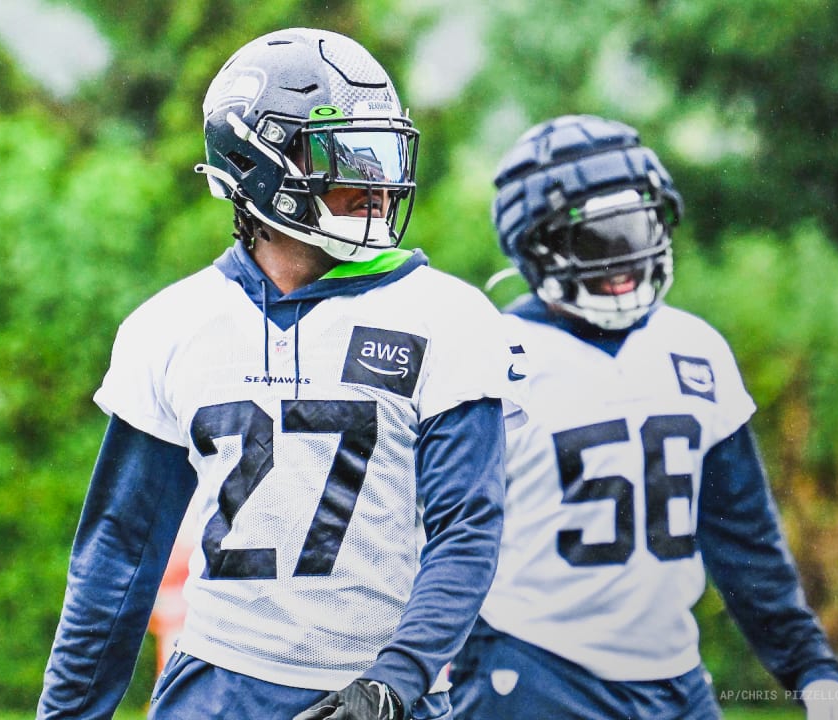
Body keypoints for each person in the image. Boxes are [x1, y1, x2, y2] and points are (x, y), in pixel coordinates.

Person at [36, 27, 525, 720]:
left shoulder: (446, 316)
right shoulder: (172, 325)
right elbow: (119, 558)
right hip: (214, 690)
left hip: (386, 695)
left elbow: (467, 531)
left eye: (384, 152)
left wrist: (393, 682)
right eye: (346, 153)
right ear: (255, 162)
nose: (378, 181)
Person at [446, 113, 838, 720]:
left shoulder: (697, 349)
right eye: (596, 239)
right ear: (537, 246)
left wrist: (810, 666)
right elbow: (438, 535)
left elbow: (742, 537)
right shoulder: (492, 359)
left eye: (638, 229)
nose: (623, 258)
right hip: (532, 670)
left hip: (674, 676)